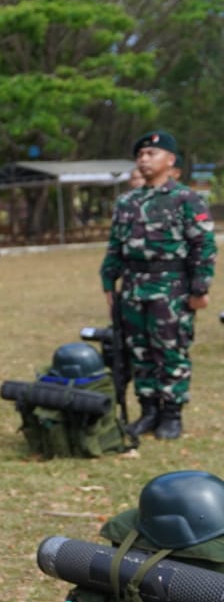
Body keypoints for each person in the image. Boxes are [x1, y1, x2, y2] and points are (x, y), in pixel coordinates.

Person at [100, 130, 215, 440]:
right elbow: (115, 247)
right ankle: (148, 409)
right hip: (135, 286)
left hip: (172, 287)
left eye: (151, 154)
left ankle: (171, 413)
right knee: (140, 351)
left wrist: (200, 289)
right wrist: (108, 281)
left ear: (170, 160)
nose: (144, 159)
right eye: (140, 155)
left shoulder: (186, 199)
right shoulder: (127, 201)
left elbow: (203, 246)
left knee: (171, 349)